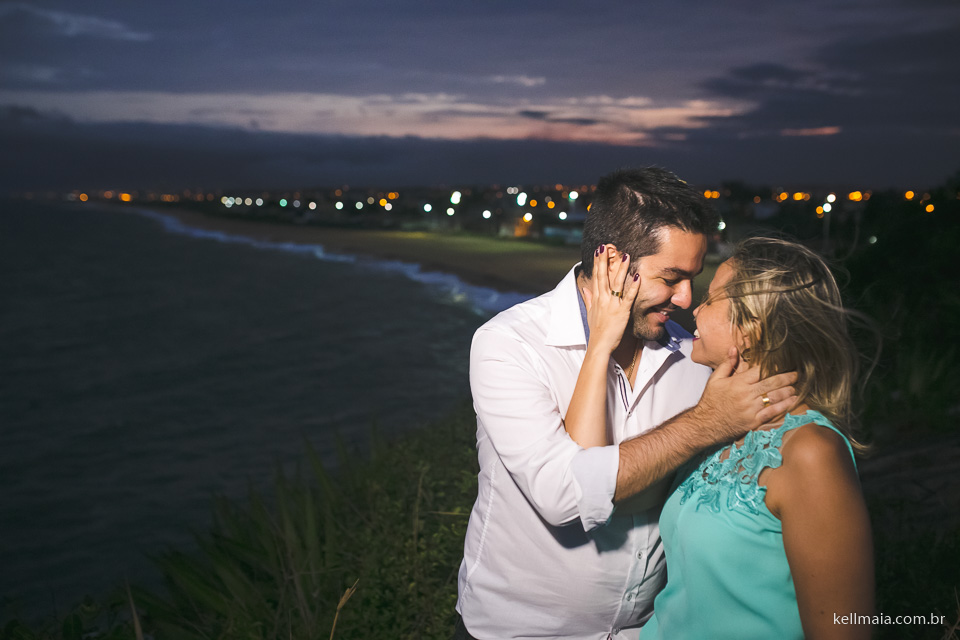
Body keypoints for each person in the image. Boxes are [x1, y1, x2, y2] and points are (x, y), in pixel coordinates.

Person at [455, 168, 798, 640]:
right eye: (672, 277)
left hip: (649, 631)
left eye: (693, 279)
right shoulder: (508, 344)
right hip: (519, 632)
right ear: (612, 263)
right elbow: (565, 497)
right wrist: (706, 423)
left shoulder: (693, 353)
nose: (685, 300)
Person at [571, 236, 874, 639]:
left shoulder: (810, 450)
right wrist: (601, 343)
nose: (693, 307)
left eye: (711, 299)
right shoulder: (717, 420)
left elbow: (844, 630)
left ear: (750, 328)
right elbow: (592, 483)